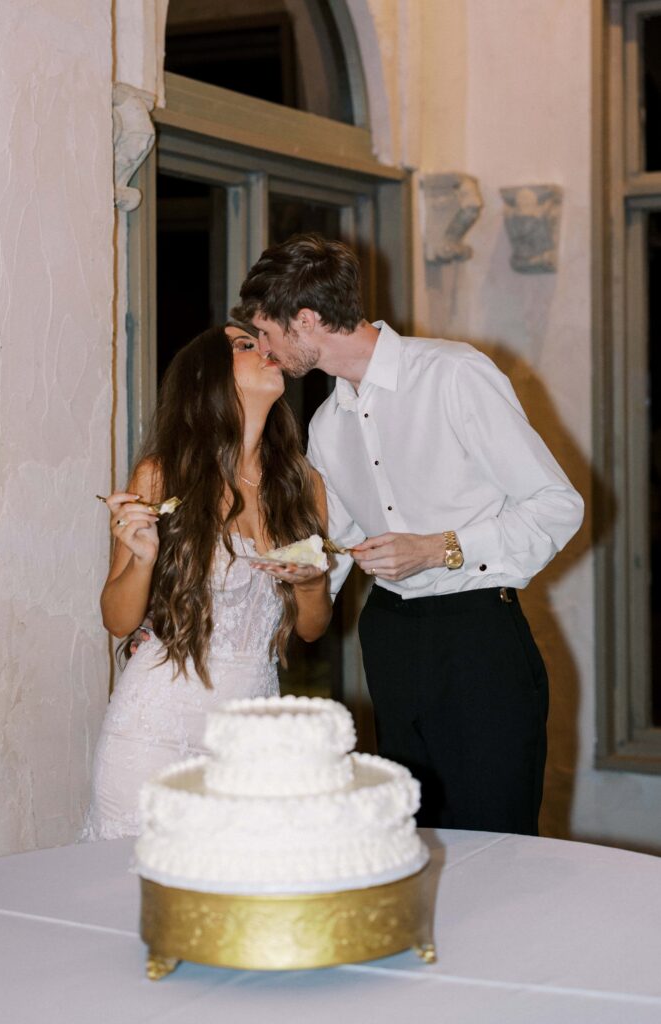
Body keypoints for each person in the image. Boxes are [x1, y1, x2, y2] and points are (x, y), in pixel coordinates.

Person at [235, 234, 584, 835]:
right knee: (412, 840)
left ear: (309, 320)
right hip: (390, 639)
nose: (263, 348)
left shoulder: (454, 374)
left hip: (479, 640)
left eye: (266, 331)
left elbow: (557, 505)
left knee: (497, 845)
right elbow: (336, 548)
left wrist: (439, 548)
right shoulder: (327, 422)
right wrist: (304, 572)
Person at [83, 324, 331, 840]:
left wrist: (310, 583)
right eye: (245, 345)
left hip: (252, 732)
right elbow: (117, 619)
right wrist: (143, 559)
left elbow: (311, 628)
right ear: (208, 379)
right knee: (134, 900)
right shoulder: (161, 475)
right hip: (152, 731)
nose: (266, 348)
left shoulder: (302, 484)